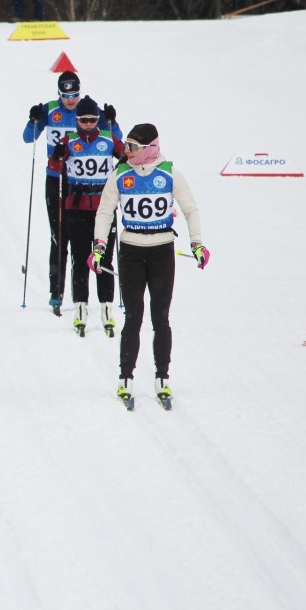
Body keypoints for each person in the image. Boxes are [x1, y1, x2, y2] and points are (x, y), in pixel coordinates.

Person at [90, 122, 209, 409]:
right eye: (127, 146)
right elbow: (105, 211)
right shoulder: (120, 174)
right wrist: (99, 246)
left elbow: (191, 208)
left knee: (161, 317)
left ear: (149, 148)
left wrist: (197, 243)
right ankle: (125, 377)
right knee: (133, 316)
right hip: (131, 251)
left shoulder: (169, 173)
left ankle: (162, 377)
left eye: (133, 147)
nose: (126, 151)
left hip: (161, 252)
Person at [23, 71, 121, 314]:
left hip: (85, 182)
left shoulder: (89, 112)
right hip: (57, 178)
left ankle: (97, 296)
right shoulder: (51, 110)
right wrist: (33, 119)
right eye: (66, 95)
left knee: (89, 238)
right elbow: (28, 138)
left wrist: (112, 120)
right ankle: (56, 292)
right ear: (59, 94)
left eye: (75, 95)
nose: (71, 100)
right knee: (58, 235)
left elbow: (114, 142)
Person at [49, 96, 124, 336]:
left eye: (93, 120)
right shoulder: (69, 140)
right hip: (76, 207)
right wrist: (57, 155)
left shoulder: (107, 139)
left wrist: (114, 123)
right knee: (80, 260)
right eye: (84, 120)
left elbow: (127, 156)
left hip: (103, 209)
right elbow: (53, 168)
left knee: (104, 260)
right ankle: (80, 308)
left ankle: (106, 309)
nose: (89, 124)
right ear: (77, 120)